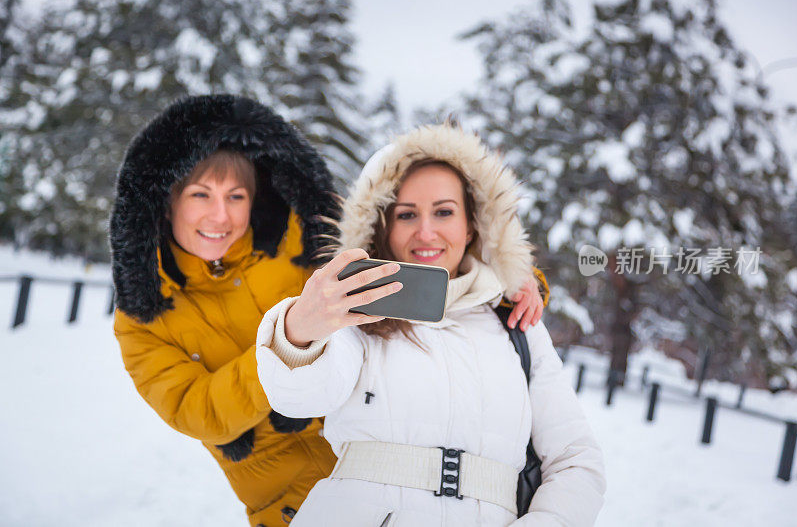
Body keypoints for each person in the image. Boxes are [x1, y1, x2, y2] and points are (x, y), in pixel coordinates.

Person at [110, 96, 546, 526]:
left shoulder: (304, 240)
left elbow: (407, 267)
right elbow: (201, 413)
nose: (220, 215)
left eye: (236, 196)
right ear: (167, 200)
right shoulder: (142, 317)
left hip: (389, 486)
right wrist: (290, 341)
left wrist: (507, 280)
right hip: (289, 506)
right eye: (200, 195)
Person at [254, 122, 605, 526]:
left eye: (443, 212)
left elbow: (576, 460)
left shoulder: (515, 320)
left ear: (472, 224)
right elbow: (300, 398)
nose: (426, 231)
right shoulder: (354, 310)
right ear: (382, 226)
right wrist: (300, 329)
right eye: (406, 214)